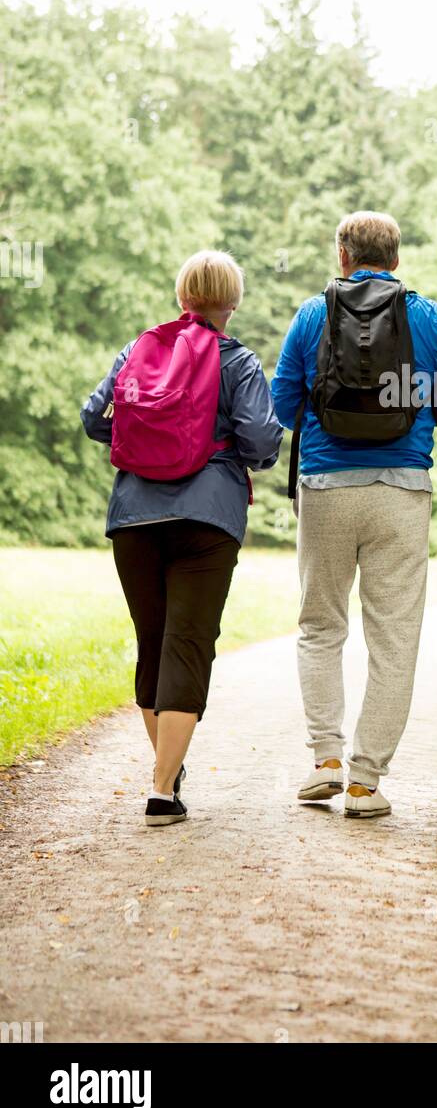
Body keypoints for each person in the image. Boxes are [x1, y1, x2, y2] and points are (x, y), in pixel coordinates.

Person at [271, 211, 437, 819]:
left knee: (319, 625)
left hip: (327, 487)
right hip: (402, 492)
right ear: (395, 257)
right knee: (393, 638)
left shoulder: (313, 315)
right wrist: (413, 396)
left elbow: (285, 406)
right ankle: (365, 783)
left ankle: (325, 761)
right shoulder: (429, 316)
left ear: (343, 255)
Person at [81, 250, 282, 826]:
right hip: (207, 521)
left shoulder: (137, 350)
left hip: (135, 518)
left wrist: (147, 443)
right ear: (233, 303)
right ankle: (162, 787)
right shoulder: (237, 361)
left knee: (153, 640)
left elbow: (96, 417)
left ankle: (166, 774)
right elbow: (263, 445)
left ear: (181, 297)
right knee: (188, 642)